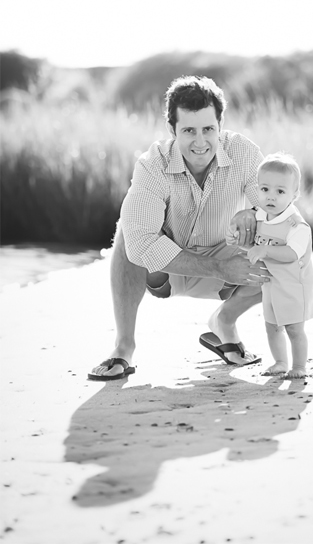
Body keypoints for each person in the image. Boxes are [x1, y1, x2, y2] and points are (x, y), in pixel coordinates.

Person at [87, 76, 270, 380]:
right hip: (166, 269)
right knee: (128, 231)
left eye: (208, 129)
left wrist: (253, 212)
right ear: (172, 130)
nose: (200, 142)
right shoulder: (152, 164)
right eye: (189, 131)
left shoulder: (244, 153)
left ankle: (224, 323)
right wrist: (218, 268)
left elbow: (278, 213)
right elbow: (143, 244)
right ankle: (123, 347)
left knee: (280, 246)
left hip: (227, 258)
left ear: (220, 124)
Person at [232, 153, 313, 380]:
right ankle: (280, 362)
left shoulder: (297, 226)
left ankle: (299, 365)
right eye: (264, 190)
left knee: (294, 329)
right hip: (271, 286)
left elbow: (291, 254)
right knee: (272, 326)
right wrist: (241, 244)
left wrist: (265, 251)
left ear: (295, 195)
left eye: (280, 191)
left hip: (293, 287)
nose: (271, 197)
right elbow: (258, 247)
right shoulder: (262, 217)